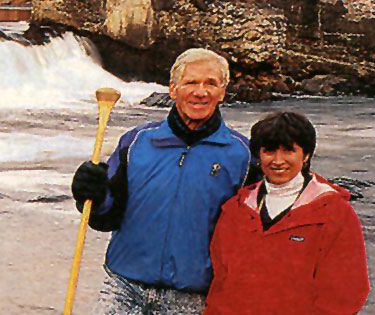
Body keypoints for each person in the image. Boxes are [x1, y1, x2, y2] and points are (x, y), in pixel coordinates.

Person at [71, 48, 252, 314]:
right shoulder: (136, 142)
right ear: (173, 89)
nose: (200, 92)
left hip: (193, 298)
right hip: (123, 287)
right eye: (191, 82)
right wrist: (91, 195)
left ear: (222, 92)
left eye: (211, 83)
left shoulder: (242, 155)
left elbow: (250, 237)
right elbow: (105, 218)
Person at [205, 111, 370, 314]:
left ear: (306, 155)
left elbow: (346, 292)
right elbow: (221, 283)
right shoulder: (235, 210)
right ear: (259, 155)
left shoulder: (335, 213)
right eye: (269, 151)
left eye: (289, 151)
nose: (278, 160)